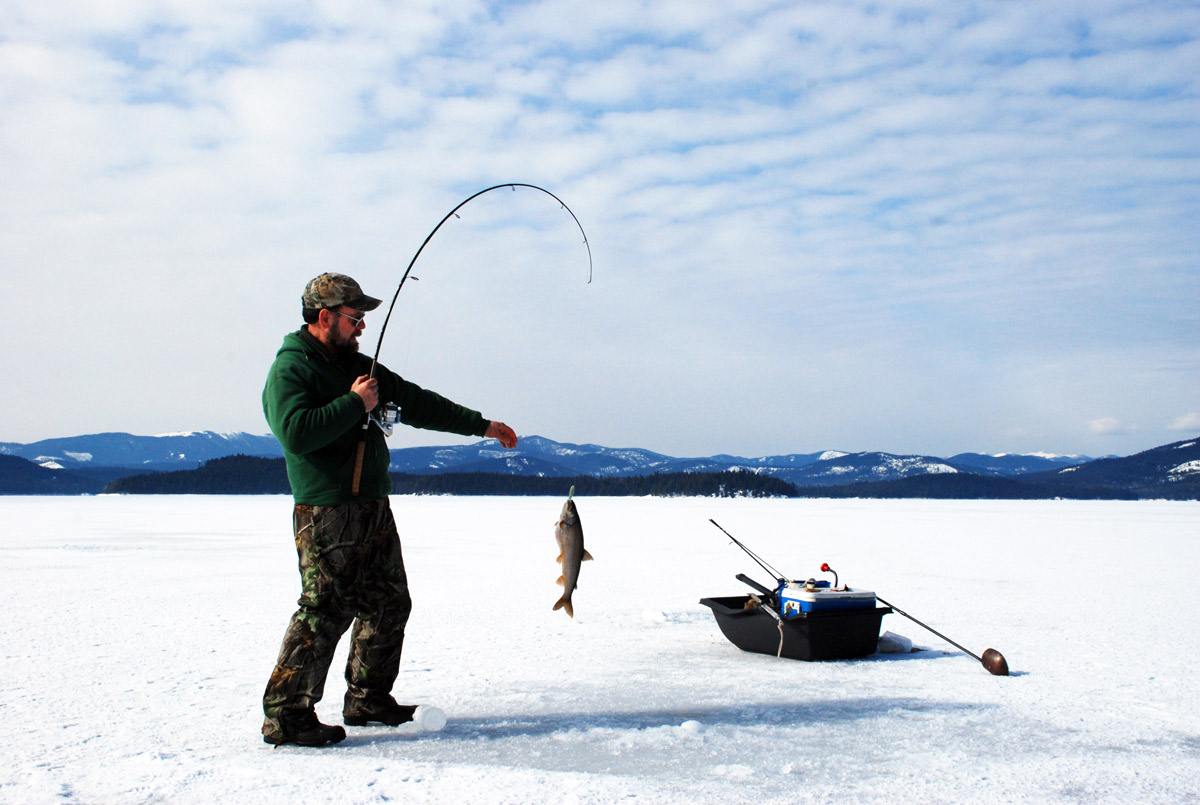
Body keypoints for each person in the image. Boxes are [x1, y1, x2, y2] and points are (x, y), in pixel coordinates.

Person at [260, 272, 518, 747]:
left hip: (372, 506)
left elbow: (416, 402)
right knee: (324, 611)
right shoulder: (292, 369)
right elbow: (296, 432)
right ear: (325, 317)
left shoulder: (360, 364)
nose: (361, 326)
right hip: (328, 511)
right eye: (354, 317)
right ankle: (286, 715)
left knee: (388, 602)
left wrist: (481, 425)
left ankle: (368, 698)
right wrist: (354, 404)